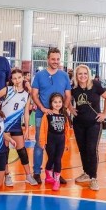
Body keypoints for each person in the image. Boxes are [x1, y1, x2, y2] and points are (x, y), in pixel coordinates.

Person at [31, 48, 71, 184]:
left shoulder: (64, 76)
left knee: (57, 146)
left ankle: (56, 173)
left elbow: (68, 95)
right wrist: (42, 108)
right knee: (39, 144)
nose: (55, 61)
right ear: (48, 59)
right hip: (41, 116)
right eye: (53, 59)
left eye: (58, 59)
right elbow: (34, 94)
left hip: (58, 117)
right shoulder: (39, 75)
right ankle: (36, 172)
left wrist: (63, 111)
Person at [69, 64, 106, 191]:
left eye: (85, 73)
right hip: (79, 124)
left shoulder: (96, 85)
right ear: (76, 75)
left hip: (94, 123)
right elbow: (67, 100)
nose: (83, 76)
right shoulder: (74, 88)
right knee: (83, 150)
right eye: (80, 73)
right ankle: (86, 173)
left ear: (88, 74)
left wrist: (104, 114)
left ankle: (93, 178)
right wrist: (71, 108)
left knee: (92, 150)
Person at [0, 69, 37, 186]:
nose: (17, 80)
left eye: (19, 77)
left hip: (16, 126)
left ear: (23, 78)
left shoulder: (26, 94)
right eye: (14, 78)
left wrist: (26, 129)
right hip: (4, 126)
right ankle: (7, 175)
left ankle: (28, 176)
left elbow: (26, 112)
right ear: (11, 80)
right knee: (5, 151)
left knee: (22, 151)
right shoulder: (7, 90)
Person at [39, 93, 70, 191]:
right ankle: (48, 175)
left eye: (60, 102)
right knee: (51, 159)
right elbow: (43, 129)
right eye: (55, 102)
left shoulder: (64, 115)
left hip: (61, 140)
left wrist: (67, 143)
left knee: (58, 160)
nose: (57, 104)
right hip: (50, 141)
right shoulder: (47, 115)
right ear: (51, 103)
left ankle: (57, 180)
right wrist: (42, 142)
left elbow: (67, 130)